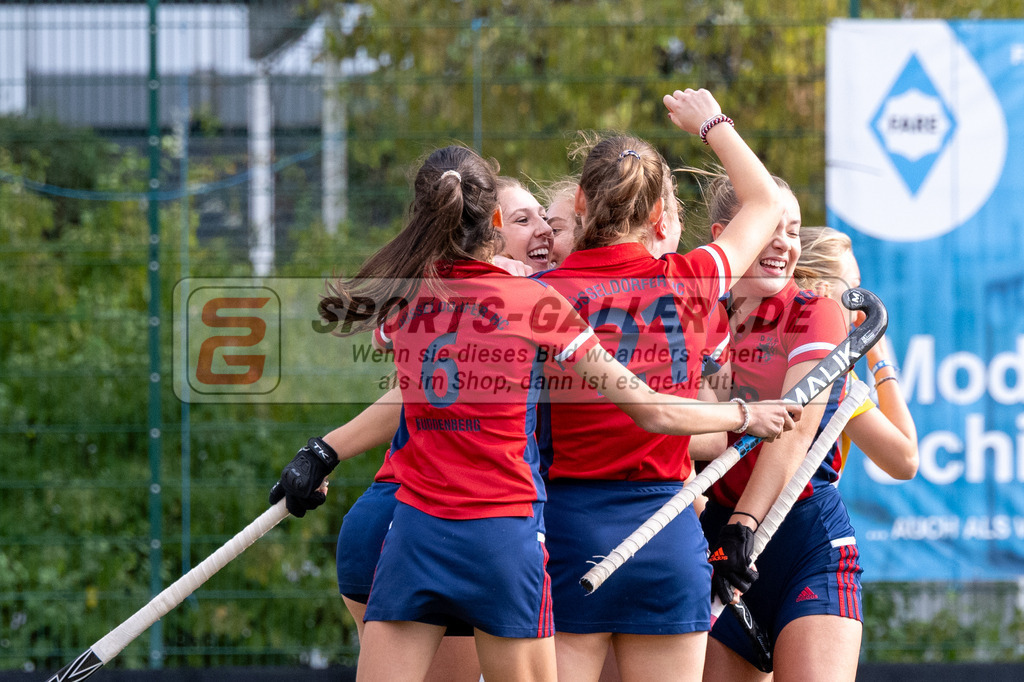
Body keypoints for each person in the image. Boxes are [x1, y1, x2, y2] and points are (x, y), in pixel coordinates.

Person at [270, 143, 799, 682]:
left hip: (431, 533)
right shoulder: (543, 302)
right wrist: (742, 416)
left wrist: (324, 449)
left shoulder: (415, 302)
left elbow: (418, 389)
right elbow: (651, 410)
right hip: (522, 539)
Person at [537, 87, 791, 682]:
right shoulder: (693, 277)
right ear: (659, 217)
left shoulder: (541, 295)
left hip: (570, 526)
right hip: (668, 531)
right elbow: (763, 201)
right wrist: (712, 124)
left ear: (578, 200)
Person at [699, 177, 864, 682]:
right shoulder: (699, 316)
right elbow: (691, 435)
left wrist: (743, 527)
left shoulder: (817, 311)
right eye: (771, 227)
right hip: (713, 539)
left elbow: (793, 429)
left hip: (801, 539)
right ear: (730, 234)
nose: (784, 244)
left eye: (792, 231)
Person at [794, 226, 918, 480]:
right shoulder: (832, 376)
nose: (861, 306)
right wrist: (880, 360)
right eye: (855, 289)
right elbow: (905, 461)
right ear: (822, 291)